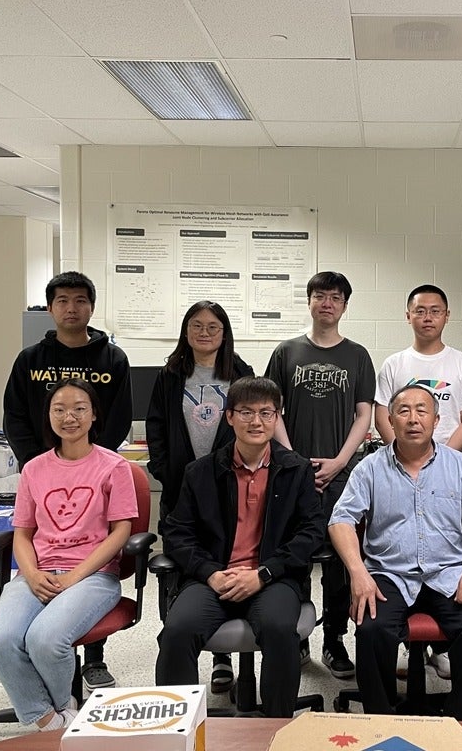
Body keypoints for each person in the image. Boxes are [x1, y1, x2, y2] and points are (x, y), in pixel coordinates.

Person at [329, 384, 462, 720]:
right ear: (390, 420)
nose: (413, 419)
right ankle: (381, 719)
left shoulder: (460, 466)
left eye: (422, 410)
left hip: (449, 572)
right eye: (403, 410)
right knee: (372, 629)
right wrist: (358, 574)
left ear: (436, 420)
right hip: (388, 573)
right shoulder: (370, 468)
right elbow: (341, 521)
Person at [155, 377, 325, 717]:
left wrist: (264, 574)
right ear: (229, 416)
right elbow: (177, 533)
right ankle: (180, 729)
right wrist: (211, 573)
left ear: (278, 418)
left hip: (273, 579)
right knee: (177, 631)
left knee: (279, 630)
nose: (256, 421)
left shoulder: (297, 470)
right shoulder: (200, 472)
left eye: (266, 412)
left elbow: (312, 532)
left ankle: (275, 728)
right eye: (245, 412)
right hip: (212, 578)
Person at [2, 270, 132, 691]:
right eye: (62, 301)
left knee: (89, 549)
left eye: (80, 300)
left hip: (95, 466)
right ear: (51, 308)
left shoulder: (112, 359)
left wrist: (93, 461)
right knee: (22, 621)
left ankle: (92, 659)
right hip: (43, 469)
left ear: (91, 307)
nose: (71, 308)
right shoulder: (30, 360)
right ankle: (48, 675)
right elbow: (16, 417)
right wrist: (38, 464)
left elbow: (118, 416)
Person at [0, 378, 138, 733]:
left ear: (94, 414)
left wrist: (74, 577)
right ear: (48, 416)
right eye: (59, 409)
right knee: (1, 640)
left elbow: (121, 532)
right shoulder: (34, 469)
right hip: (37, 572)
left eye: (79, 408)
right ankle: (53, 718)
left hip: (94, 576)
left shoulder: (114, 467)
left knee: (45, 639)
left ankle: (55, 718)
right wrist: (33, 574)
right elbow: (23, 534)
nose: (69, 417)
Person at [374, 283, 462, 680]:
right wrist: (403, 456)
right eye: (419, 310)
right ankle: (408, 649)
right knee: (405, 548)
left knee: (444, 551)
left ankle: (440, 648)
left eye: (435, 310)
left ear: (446, 316)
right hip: (400, 467)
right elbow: (380, 414)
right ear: (408, 316)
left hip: (450, 471)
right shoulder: (394, 363)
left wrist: (441, 458)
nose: (427, 317)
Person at [265, 271, 375, 679]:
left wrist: (341, 461)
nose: (327, 303)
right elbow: (270, 409)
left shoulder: (358, 355)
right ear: (309, 302)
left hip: (341, 473)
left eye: (335, 297)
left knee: (340, 561)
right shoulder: (286, 351)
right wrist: (293, 459)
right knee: (295, 555)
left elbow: (364, 414)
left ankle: (334, 640)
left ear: (345, 305)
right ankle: (298, 638)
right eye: (319, 296)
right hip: (291, 474)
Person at [145, 300, 253, 694]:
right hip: (181, 489)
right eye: (197, 326)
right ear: (185, 331)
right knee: (191, 570)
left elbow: (251, 422)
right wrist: (164, 468)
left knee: (231, 561)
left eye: (213, 327)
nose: (205, 333)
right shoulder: (171, 374)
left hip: (231, 487)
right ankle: (188, 647)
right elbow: (156, 423)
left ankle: (225, 659)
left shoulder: (240, 373)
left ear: (224, 333)